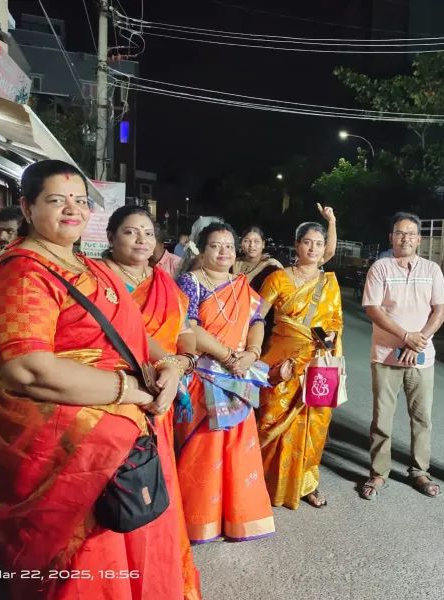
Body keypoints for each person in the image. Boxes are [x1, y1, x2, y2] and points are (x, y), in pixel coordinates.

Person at [0, 160, 186, 599]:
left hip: (122, 443)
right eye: (56, 200)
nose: (72, 209)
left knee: (132, 536)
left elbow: (134, 336)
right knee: (86, 561)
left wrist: (171, 365)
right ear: (27, 208)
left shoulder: (94, 268)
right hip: (68, 454)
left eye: (80, 201)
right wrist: (130, 391)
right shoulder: (20, 272)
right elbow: (28, 369)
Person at [103, 205, 202, 599]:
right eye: (130, 232)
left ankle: (156, 571)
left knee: (152, 481)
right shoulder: (96, 279)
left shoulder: (167, 285)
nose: (141, 240)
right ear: (111, 237)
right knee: (112, 487)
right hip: (110, 396)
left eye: (147, 232)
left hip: (158, 396)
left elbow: (185, 335)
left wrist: (179, 363)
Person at [174, 222, 276, 543]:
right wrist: (230, 356)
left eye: (229, 246)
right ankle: (200, 520)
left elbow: (257, 320)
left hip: (238, 373)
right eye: (216, 246)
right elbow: (189, 327)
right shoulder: (189, 283)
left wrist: (253, 352)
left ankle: (238, 518)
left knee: (238, 446)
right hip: (204, 374)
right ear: (202, 251)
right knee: (205, 448)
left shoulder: (242, 285)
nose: (224, 252)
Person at [360, 212, 444, 500]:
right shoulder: (381, 268)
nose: (405, 238)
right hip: (386, 356)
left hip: (422, 356)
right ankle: (378, 473)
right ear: (391, 238)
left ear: (419, 239)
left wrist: (417, 341)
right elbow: (373, 308)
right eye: (400, 233)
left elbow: (441, 310)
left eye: (411, 234)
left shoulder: (432, 269)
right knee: (382, 419)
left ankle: (420, 471)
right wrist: (405, 337)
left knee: (422, 418)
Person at [257, 222, 344, 510]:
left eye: (319, 244)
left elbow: (335, 321)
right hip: (281, 361)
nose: (313, 248)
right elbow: (256, 317)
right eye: (308, 242)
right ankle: (261, 482)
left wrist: (331, 336)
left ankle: (307, 484)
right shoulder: (278, 279)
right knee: (270, 418)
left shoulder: (329, 283)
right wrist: (251, 353)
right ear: (297, 245)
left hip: (317, 362)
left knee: (313, 424)